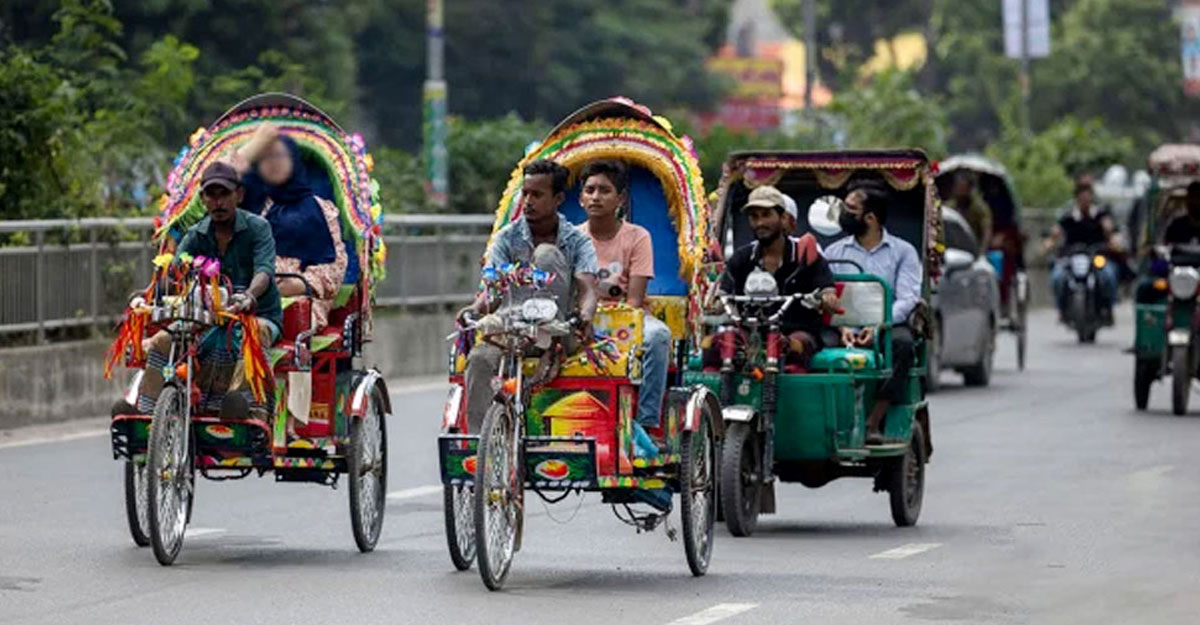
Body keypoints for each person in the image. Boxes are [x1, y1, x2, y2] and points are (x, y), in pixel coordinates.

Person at [457, 159, 599, 431]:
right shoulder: (506, 238)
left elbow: (588, 288)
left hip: (557, 331)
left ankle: (547, 340)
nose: (528, 201)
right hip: (509, 328)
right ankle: (481, 447)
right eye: (525, 193)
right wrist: (474, 308)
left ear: (558, 199)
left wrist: (585, 315)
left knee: (546, 254)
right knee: (478, 360)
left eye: (537, 194)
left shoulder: (577, 240)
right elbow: (492, 287)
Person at [134, 162, 283, 419]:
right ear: (203, 199)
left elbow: (264, 272)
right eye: (211, 195)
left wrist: (248, 296)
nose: (218, 202)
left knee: (253, 333)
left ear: (239, 195)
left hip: (255, 316)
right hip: (206, 320)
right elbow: (174, 274)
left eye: (224, 194)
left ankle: (246, 408)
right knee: (162, 341)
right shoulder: (196, 235)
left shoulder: (258, 228)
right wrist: (147, 295)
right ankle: (147, 414)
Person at [576, 160, 671, 459]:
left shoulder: (637, 237)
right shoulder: (572, 237)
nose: (595, 197)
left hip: (626, 317)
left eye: (604, 190)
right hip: (583, 317)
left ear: (620, 199)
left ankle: (647, 423)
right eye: (589, 190)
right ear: (580, 198)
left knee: (658, 337)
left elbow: (635, 300)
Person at [823, 182, 922, 446]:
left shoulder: (903, 252)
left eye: (850, 209)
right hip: (841, 326)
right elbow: (825, 294)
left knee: (902, 345)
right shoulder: (833, 252)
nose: (843, 213)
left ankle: (873, 421)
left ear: (870, 218)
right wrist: (841, 326)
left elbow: (908, 298)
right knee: (815, 346)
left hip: (886, 326)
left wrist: (879, 325)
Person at [230, 124, 348, 331]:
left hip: (299, 299)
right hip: (246, 296)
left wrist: (301, 284)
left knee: (281, 320)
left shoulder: (319, 208)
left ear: (293, 159)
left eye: (279, 156)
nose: (273, 163)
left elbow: (335, 264)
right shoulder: (248, 204)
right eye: (266, 158)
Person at [716, 185, 840, 369]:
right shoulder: (741, 258)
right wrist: (714, 304)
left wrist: (827, 298)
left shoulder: (807, 256)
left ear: (782, 218)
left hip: (797, 331)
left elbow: (828, 291)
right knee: (714, 344)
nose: (759, 223)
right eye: (754, 217)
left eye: (766, 215)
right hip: (750, 332)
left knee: (794, 345)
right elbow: (723, 294)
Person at [1043, 178, 1121, 323]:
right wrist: (1049, 243)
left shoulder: (1100, 215)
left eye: (1088, 195)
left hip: (1096, 256)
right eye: (1082, 195)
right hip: (1071, 257)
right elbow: (1056, 232)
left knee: (1109, 275)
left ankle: (1108, 309)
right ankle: (1061, 309)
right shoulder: (1068, 216)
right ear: (1077, 197)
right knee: (1057, 277)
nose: (1085, 199)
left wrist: (1111, 237)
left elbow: (1111, 232)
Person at [946, 170, 993, 254]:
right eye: (958, 187)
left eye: (962, 187)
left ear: (969, 189)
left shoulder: (979, 208)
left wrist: (982, 254)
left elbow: (986, 233)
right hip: (952, 251)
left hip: (973, 251)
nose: (959, 190)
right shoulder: (949, 207)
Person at [1162, 181, 1200, 245]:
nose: (1196, 202)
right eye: (1192, 198)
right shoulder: (1177, 226)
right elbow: (1167, 246)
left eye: (1198, 198)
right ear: (1187, 200)